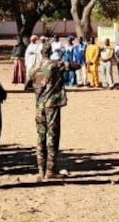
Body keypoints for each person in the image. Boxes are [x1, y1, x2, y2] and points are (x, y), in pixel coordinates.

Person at [32, 44, 74, 178]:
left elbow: (28, 84)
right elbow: (74, 66)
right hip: (52, 105)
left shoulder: (34, 68)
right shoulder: (54, 65)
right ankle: (50, 170)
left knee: (40, 136)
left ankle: (40, 169)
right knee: (52, 136)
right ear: (50, 52)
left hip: (39, 106)